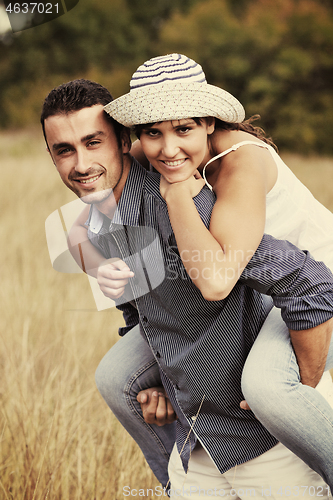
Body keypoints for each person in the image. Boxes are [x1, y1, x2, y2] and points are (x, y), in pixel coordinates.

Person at [41, 78, 333, 496]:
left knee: (268, 388)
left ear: (123, 142)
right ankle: (172, 483)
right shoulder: (105, 212)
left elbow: (307, 280)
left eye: (93, 142)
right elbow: (131, 297)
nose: (81, 164)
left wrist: (306, 380)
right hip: (197, 448)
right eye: (64, 150)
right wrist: (157, 376)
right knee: (115, 377)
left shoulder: (206, 196)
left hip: (310, 303)